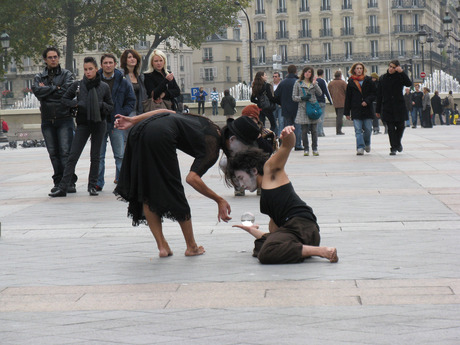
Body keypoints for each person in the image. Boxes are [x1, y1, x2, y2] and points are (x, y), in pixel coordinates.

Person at [113, 110, 261, 257]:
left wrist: (134, 121)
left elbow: (167, 112)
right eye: (246, 146)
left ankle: (162, 247)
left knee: (147, 190)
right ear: (233, 140)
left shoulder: (208, 124)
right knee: (174, 190)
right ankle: (191, 246)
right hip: (160, 135)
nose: (244, 151)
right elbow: (192, 179)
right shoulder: (212, 146)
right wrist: (219, 199)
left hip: (141, 130)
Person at [226, 126, 338, 265]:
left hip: (303, 227)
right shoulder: (267, 200)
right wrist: (252, 231)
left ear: (254, 171)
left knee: (266, 253)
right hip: (298, 234)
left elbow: (287, 146)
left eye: (241, 178)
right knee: (261, 245)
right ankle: (304, 250)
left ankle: (322, 252)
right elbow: (274, 235)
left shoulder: (270, 171)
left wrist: (288, 134)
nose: (241, 185)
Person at [49, 57, 113, 197]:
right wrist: (77, 104)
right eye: (85, 69)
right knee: (73, 155)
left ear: (96, 69)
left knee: (95, 156)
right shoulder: (78, 85)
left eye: (90, 69)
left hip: (99, 123)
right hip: (83, 123)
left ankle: (92, 186)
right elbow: (64, 99)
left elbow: (110, 106)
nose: (88, 72)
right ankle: (63, 187)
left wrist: (100, 105)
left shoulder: (104, 87)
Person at [32, 47, 77, 194]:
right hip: (47, 119)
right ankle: (58, 182)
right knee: (53, 153)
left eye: (55, 57)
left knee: (65, 152)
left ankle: (69, 181)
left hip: (64, 117)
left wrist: (48, 90)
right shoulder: (39, 76)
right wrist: (56, 88)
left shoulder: (67, 74)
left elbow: (67, 92)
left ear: (59, 58)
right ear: (45, 59)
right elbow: (37, 92)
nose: (53, 59)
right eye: (50, 57)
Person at [96, 53, 136, 191]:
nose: (108, 65)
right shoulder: (94, 81)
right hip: (99, 122)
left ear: (115, 64)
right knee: (99, 155)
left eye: (110, 63)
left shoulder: (123, 81)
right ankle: (98, 183)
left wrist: (122, 114)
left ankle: (122, 181)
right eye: (105, 63)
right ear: (101, 65)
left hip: (116, 122)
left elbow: (131, 100)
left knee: (120, 155)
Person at [376, 60, 412, 155]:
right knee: (391, 129)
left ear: (397, 68)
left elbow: (409, 84)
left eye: (393, 67)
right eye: (390, 66)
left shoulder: (400, 77)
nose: (391, 69)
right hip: (387, 107)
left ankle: (397, 143)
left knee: (401, 126)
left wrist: (402, 72)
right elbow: (379, 95)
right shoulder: (383, 78)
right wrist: (378, 110)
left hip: (399, 106)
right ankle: (393, 148)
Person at [344, 62, 376, 155]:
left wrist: (367, 101)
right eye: (357, 68)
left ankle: (367, 143)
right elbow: (348, 98)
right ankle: (360, 147)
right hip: (356, 109)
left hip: (367, 109)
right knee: (358, 130)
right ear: (354, 70)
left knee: (368, 129)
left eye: (360, 68)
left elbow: (374, 94)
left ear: (363, 70)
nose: (359, 70)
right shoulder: (351, 82)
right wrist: (347, 112)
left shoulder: (369, 80)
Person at [292, 66, 322, 156]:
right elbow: (294, 97)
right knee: (304, 131)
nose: (307, 73)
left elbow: (320, 93)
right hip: (303, 109)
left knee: (314, 130)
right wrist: (302, 98)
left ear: (312, 74)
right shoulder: (298, 83)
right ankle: (306, 148)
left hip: (313, 108)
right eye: (306, 72)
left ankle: (315, 148)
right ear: (303, 73)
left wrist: (315, 84)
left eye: (309, 72)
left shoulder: (314, 83)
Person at [274, 65, 302, 150]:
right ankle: (298, 144)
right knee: (297, 127)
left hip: (286, 109)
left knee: (287, 128)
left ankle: (288, 145)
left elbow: (275, 95)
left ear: (288, 71)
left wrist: (281, 103)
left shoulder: (283, 83)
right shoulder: (298, 82)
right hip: (297, 108)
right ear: (296, 71)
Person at [120, 49, 148, 118]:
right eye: (129, 57)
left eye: (134, 57)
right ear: (125, 60)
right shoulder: (121, 75)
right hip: (126, 112)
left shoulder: (140, 77)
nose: (132, 59)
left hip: (140, 111)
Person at [327, 70, 347, 135]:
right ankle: (338, 130)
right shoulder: (343, 83)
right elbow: (347, 92)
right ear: (340, 76)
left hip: (335, 102)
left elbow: (329, 92)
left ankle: (338, 130)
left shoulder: (331, 83)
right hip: (342, 102)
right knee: (340, 117)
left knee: (338, 115)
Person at [315, 69, 333, 137]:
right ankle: (320, 132)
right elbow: (326, 91)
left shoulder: (315, 81)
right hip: (322, 101)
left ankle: (316, 131)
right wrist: (330, 101)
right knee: (321, 118)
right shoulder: (323, 81)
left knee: (316, 118)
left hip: (315, 102)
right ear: (322, 74)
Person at [272, 72, 283, 136]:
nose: (274, 78)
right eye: (273, 76)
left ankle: (280, 135)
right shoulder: (270, 85)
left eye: (276, 76)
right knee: (273, 120)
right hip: (273, 105)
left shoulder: (281, 85)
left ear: (279, 77)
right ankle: (275, 134)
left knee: (281, 121)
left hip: (280, 105)